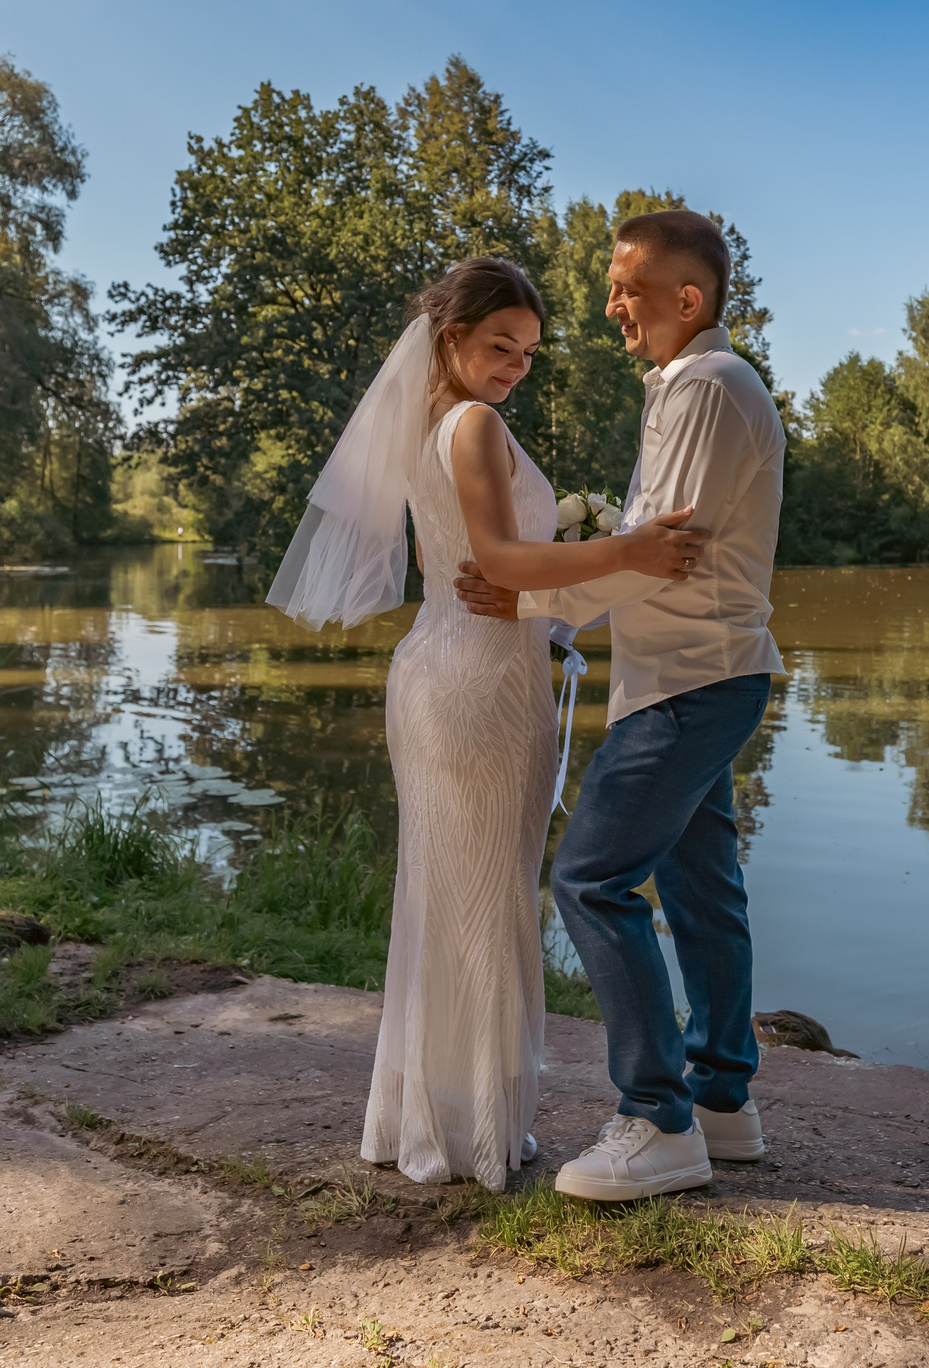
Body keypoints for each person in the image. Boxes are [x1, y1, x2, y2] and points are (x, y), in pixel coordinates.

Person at [265, 257, 705, 1192]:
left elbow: (484, 563)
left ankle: (432, 1120)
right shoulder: (474, 424)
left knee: (447, 894)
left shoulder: (434, 422)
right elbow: (503, 561)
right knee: (485, 899)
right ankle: (469, 1132)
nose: (515, 365)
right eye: (500, 345)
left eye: (530, 352)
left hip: (443, 662)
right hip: (479, 682)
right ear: (451, 335)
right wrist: (629, 547)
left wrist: (565, 565)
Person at [455, 211, 786, 1201]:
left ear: (689, 299)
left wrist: (528, 598)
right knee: (699, 893)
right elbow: (649, 547)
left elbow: (659, 555)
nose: (610, 307)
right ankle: (722, 1102)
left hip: (687, 680)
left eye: (626, 288)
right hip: (703, 671)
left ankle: (657, 1118)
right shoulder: (697, 387)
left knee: (592, 882)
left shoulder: (704, 388)